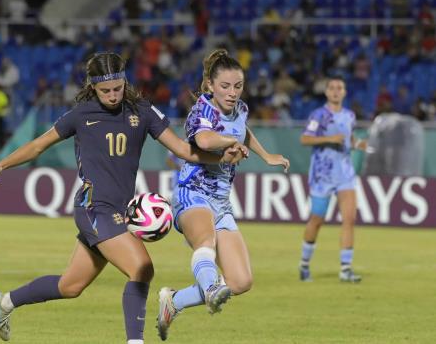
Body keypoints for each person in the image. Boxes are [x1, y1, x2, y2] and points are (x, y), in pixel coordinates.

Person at [0, 52, 246, 344]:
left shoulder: (142, 111)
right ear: (93, 87)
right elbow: (37, 146)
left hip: (120, 210)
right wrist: (2, 164)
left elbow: (184, 150)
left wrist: (222, 155)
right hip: (93, 207)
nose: (112, 95)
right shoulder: (81, 114)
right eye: (105, 90)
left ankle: (4, 302)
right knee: (142, 268)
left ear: (124, 81)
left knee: (70, 285)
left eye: (117, 88)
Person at [156, 49, 290, 341]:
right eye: (225, 86)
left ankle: (174, 301)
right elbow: (204, 140)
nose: (232, 93)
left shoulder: (240, 109)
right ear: (210, 86)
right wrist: (229, 140)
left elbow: (243, 130)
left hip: (221, 202)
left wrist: (265, 155)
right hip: (192, 193)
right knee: (205, 243)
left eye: (238, 86)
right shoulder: (201, 111)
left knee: (241, 282)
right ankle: (211, 286)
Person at [297, 75, 367, 283]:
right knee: (317, 220)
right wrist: (329, 139)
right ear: (327, 92)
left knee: (349, 219)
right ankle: (304, 264)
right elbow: (305, 138)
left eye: (340, 88)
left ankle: (346, 270)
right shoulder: (318, 115)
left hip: (345, 174)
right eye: (332, 88)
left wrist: (357, 144)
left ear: (344, 92)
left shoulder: (350, 116)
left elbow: (349, 139)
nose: (336, 91)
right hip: (322, 176)